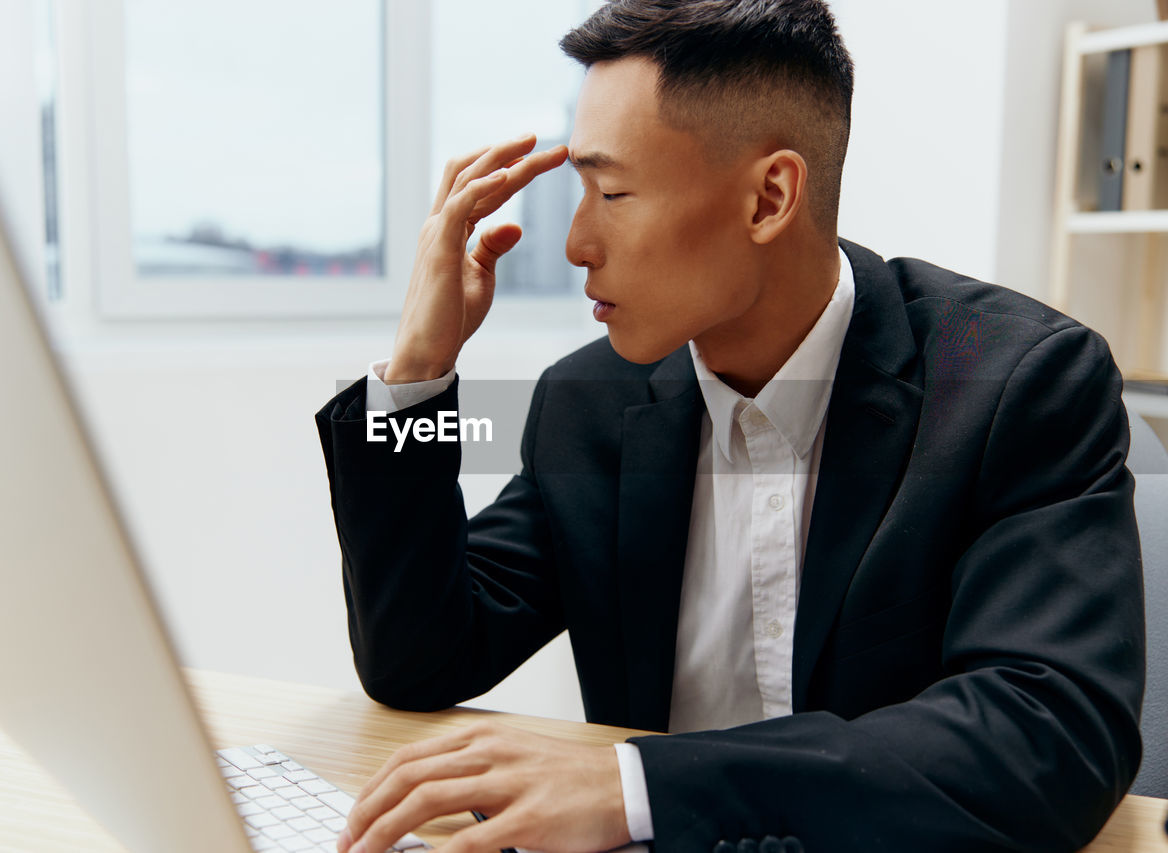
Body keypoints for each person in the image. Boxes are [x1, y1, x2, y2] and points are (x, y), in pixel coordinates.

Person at [315, 1, 1146, 851]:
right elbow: (417, 659)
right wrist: (417, 375)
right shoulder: (590, 403)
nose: (574, 243)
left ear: (769, 197)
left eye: (612, 191)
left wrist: (637, 786)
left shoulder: (1017, 383)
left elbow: (1049, 733)